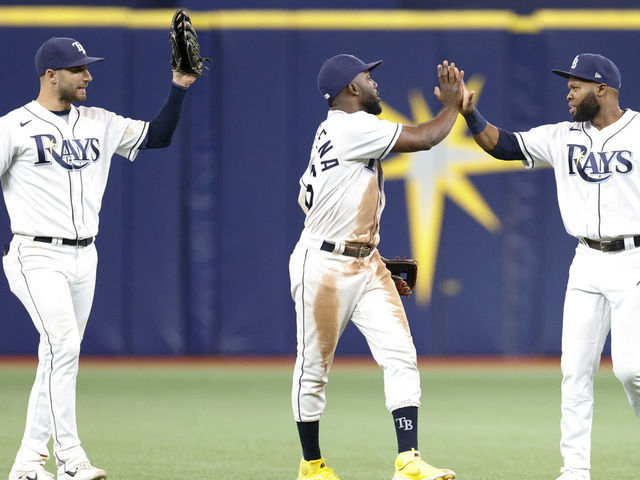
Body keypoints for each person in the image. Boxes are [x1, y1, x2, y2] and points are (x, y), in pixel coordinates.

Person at [2, 36, 197, 480]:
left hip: (84, 257)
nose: (88, 75)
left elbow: (159, 136)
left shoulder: (99, 121)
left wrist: (180, 85)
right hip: (35, 254)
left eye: (87, 67)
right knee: (64, 346)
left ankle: (28, 463)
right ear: (51, 75)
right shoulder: (12, 127)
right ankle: (71, 458)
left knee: (57, 356)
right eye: (78, 69)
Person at [460, 53, 640, 480]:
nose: (569, 92)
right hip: (586, 262)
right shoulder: (562, 136)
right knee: (574, 371)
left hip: (635, 259)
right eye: (568, 85)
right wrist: (470, 113)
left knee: (633, 369)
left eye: (576, 85)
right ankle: (574, 470)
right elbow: (502, 145)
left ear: (603, 89)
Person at [289, 53, 468, 480]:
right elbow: (425, 138)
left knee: (400, 354)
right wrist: (453, 104)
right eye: (367, 77)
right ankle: (311, 465)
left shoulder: (333, 131)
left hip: (365, 262)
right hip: (325, 266)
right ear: (351, 89)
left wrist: (363, 249)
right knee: (314, 368)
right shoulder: (351, 126)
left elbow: (310, 199)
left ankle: (408, 460)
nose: (374, 84)